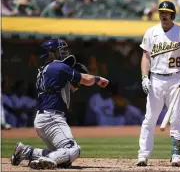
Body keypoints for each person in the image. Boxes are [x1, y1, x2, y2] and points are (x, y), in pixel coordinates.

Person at [10, 39, 109, 170]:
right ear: (51, 53)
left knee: (62, 156)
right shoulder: (58, 66)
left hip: (42, 119)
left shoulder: (44, 70)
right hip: (52, 118)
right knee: (73, 149)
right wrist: (97, 79)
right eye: (60, 50)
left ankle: (25, 152)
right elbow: (85, 79)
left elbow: (59, 88)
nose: (63, 52)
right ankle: (46, 161)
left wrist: (71, 84)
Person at [137, 1, 180, 167]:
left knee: (176, 117)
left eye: (167, 12)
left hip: (175, 78)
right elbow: (146, 57)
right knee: (149, 118)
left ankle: (176, 154)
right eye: (161, 12)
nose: (163, 15)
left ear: (173, 14)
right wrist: (144, 77)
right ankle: (143, 155)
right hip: (156, 79)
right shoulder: (151, 31)